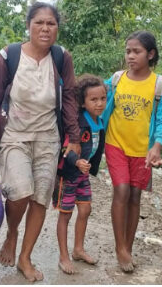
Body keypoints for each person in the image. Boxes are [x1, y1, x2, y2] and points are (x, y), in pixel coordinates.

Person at [0, 2, 82, 282]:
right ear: (28, 25)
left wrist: (74, 138)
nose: (45, 28)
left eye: (51, 24)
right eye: (39, 23)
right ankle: (12, 232)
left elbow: (68, 98)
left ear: (57, 28)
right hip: (14, 136)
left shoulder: (61, 58)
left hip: (48, 137)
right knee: (20, 191)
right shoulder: (8, 56)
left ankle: (25, 257)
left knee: (41, 198)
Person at [102, 31, 162, 273]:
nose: (130, 56)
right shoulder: (116, 79)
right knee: (121, 189)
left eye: (136, 51)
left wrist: (157, 146)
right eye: (128, 51)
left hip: (142, 151)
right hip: (115, 144)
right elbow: (95, 97)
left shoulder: (160, 86)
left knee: (134, 196)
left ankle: (127, 247)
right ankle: (120, 248)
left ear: (150, 54)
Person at [54, 74, 107, 275]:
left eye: (102, 98)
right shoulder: (76, 122)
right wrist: (75, 161)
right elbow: (63, 148)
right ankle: (63, 256)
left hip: (82, 176)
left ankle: (78, 250)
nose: (99, 103)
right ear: (83, 103)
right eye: (93, 100)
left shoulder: (99, 122)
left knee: (85, 211)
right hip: (68, 175)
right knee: (65, 215)